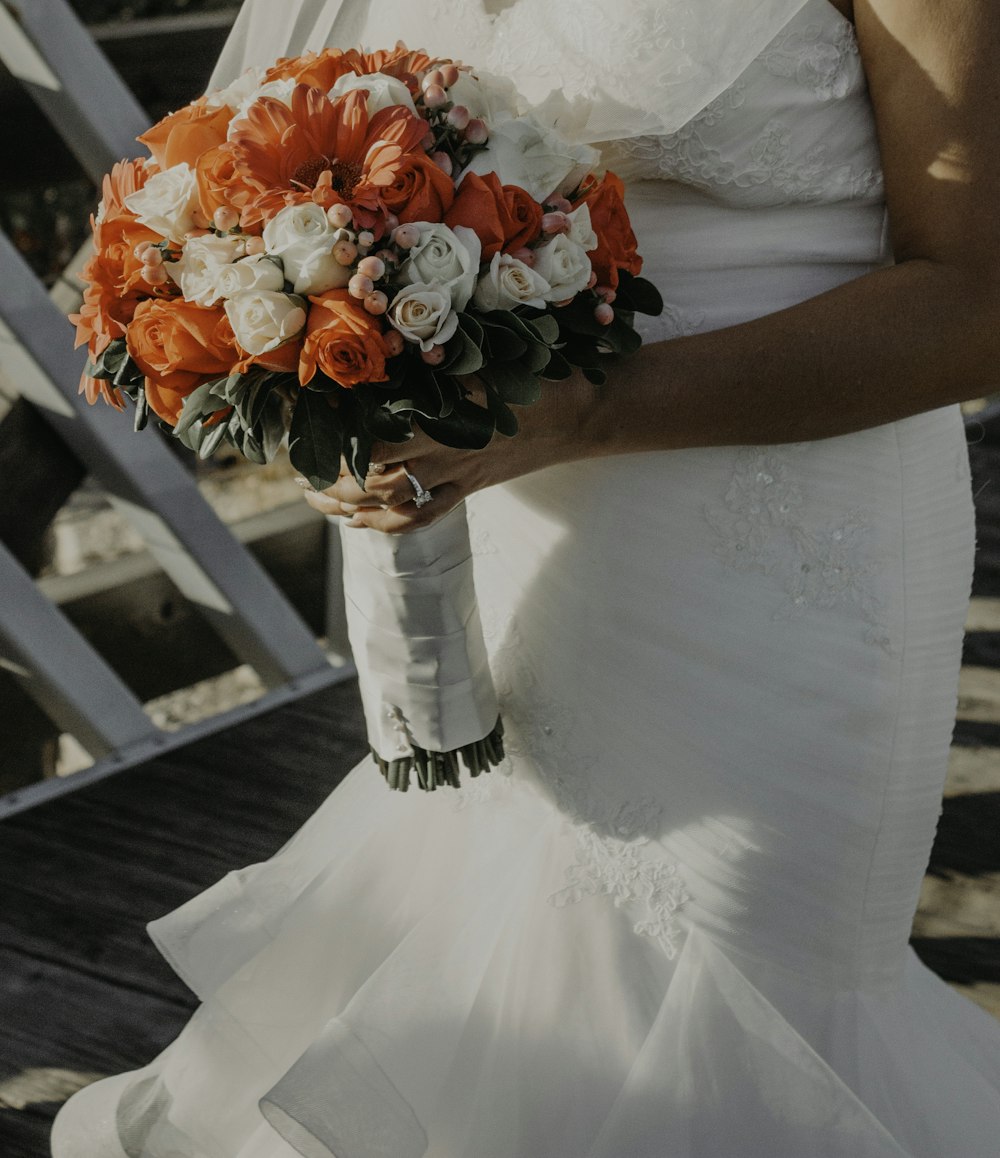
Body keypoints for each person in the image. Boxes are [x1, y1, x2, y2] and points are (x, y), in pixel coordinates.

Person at [52, 1, 1000, 1155]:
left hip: (795, 552)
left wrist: (583, 413)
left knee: (758, 991)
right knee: (510, 937)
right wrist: (331, 399)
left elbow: (975, 299)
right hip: (512, 522)